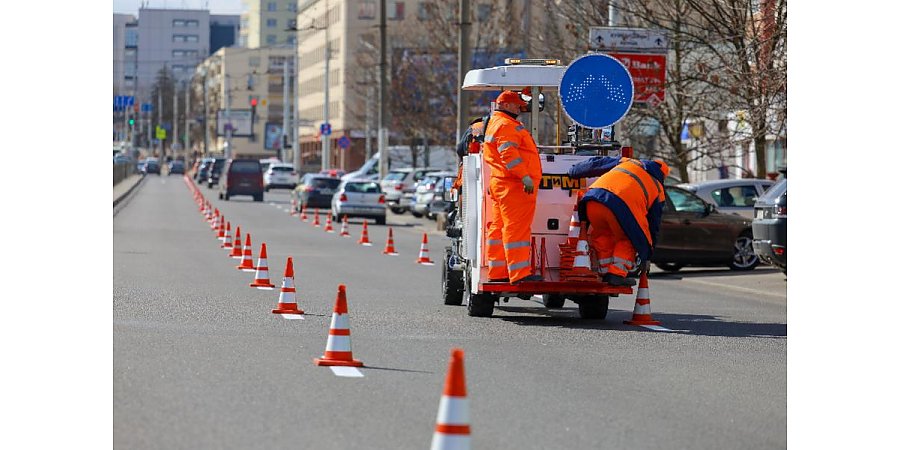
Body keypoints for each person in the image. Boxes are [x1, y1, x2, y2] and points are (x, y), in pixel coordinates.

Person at [567, 156, 670, 286]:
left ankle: (605, 272)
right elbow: (654, 224)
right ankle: (616, 274)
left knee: (603, 236)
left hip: (593, 200)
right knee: (629, 239)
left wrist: (574, 171)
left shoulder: (628, 162)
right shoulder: (658, 188)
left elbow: (597, 164)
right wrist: (647, 252)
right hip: (620, 206)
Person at [482, 90, 543, 283]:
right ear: (506, 105)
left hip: (502, 183)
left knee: (499, 228)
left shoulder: (496, 122)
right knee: (517, 228)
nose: (519, 108)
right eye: (517, 105)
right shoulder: (506, 125)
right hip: (514, 185)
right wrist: (524, 177)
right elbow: (508, 153)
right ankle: (519, 273)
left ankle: (498, 272)